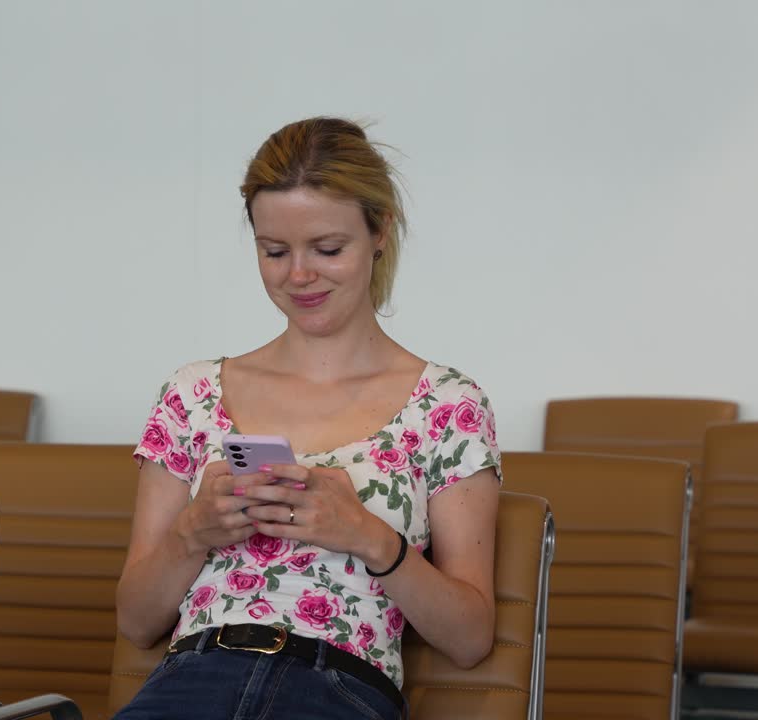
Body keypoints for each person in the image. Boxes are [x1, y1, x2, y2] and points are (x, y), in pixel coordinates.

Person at [114, 117, 501, 720]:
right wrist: (193, 532)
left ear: (379, 231)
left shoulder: (450, 405)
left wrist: (367, 535)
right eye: (275, 251)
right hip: (191, 679)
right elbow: (137, 623)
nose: (298, 275)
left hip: (338, 690)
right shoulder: (191, 394)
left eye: (327, 249)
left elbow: (470, 638)